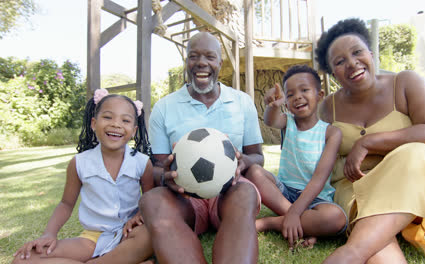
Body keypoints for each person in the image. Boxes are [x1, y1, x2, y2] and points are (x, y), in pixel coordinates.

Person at [314, 18, 425, 263]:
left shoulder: (404, 83)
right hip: (355, 190)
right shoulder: (326, 109)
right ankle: (354, 252)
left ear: (371, 55)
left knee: (417, 152)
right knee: (375, 236)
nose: (352, 64)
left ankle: (350, 254)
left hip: (411, 182)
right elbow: (309, 156)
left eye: (357, 52)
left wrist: (368, 142)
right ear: (333, 73)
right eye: (340, 62)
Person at [139, 32, 264, 264]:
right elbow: (157, 166)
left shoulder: (242, 102)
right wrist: (166, 176)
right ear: (186, 62)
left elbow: (258, 156)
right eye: (193, 56)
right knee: (152, 201)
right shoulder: (164, 107)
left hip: (229, 192)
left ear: (220, 63)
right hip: (185, 199)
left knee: (245, 193)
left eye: (210, 56)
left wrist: (244, 161)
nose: (201, 63)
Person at [12, 89, 155, 264]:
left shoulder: (142, 162)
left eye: (125, 120)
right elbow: (66, 204)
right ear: (93, 123)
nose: (116, 124)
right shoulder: (79, 163)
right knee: (23, 259)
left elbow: (150, 201)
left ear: (133, 131)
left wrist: (138, 215)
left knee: (151, 234)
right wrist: (49, 234)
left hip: (129, 234)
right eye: (108, 117)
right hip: (91, 239)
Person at [245, 65, 347, 249]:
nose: (297, 96)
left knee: (336, 218)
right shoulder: (287, 121)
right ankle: (306, 226)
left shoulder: (331, 133)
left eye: (305, 90)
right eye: (290, 94)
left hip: (316, 198)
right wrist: (273, 106)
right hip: (284, 191)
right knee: (253, 171)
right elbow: (270, 120)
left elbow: (318, 180)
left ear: (320, 95)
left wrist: (294, 214)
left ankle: (270, 223)